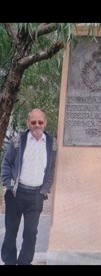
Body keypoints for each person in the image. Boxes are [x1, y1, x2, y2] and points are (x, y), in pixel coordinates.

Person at [1, 108, 57, 265]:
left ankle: (24, 262)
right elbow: (6, 164)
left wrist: (44, 190)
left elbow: (51, 169)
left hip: (36, 196)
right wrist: (10, 185)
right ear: (28, 123)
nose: (37, 125)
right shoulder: (17, 141)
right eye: (33, 122)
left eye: (40, 122)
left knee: (31, 233)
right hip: (16, 194)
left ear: (45, 122)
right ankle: (9, 262)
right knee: (11, 231)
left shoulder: (52, 144)